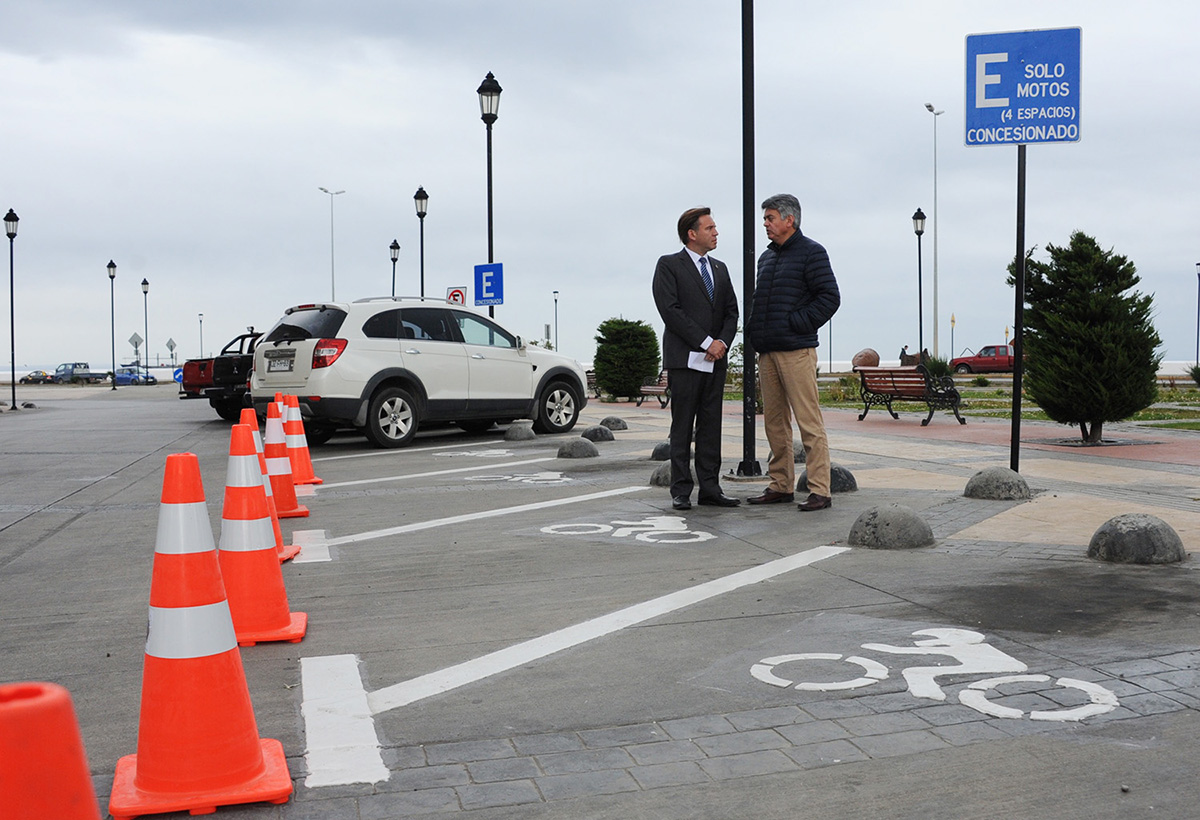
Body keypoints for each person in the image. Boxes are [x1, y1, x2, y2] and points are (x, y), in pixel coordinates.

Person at [745, 194, 840, 511]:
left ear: (790, 220)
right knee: (774, 423)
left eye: (770, 218)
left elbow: (829, 297)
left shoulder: (812, 253)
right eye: (765, 219)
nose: (766, 224)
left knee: (808, 423)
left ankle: (820, 490)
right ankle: (781, 485)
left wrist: (796, 323)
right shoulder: (767, 258)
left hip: (797, 351)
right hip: (768, 351)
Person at [652, 207, 741, 511]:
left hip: (715, 361)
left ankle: (711, 488)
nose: (716, 233)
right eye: (710, 228)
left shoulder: (720, 268)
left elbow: (732, 312)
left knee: (710, 425)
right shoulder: (669, 265)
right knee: (682, 426)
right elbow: (671, 310)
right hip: (685, 360)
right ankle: (680, 490)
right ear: (692, 233)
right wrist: (705, 342)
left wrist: (721, 344)